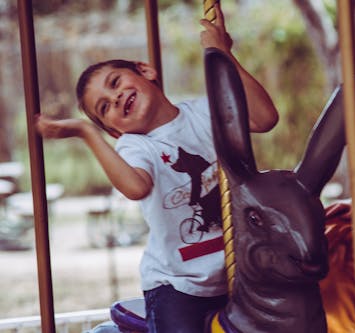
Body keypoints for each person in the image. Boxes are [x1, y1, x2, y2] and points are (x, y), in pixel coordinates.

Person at [35, 3, 278, 333]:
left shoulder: (205, 112)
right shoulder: (136, 146)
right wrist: (86, 132)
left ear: (146, 70)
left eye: (116, 82)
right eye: (104, 107)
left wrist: (223, 54)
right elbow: (136, 187)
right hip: (177, 285)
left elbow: (264, 119)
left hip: (243, 269)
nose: (116, 97)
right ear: (113, 131)